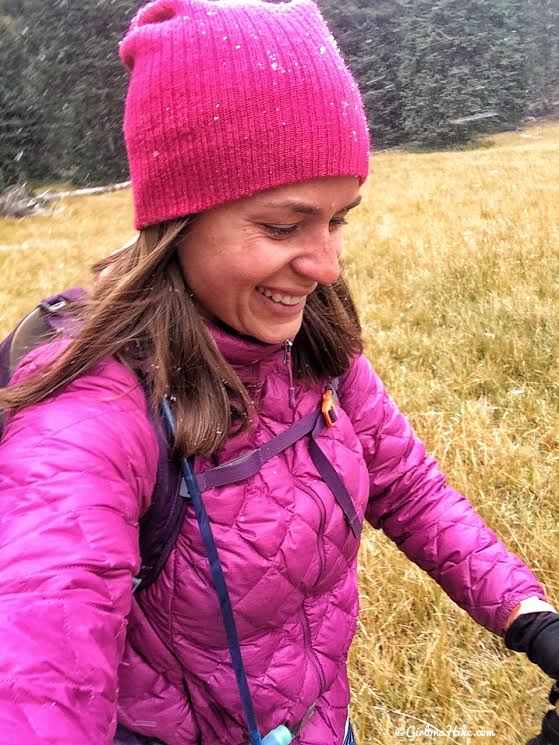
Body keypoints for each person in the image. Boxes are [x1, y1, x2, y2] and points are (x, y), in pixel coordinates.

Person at [0, 1, 558, 744]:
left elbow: (408, 488)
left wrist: (530, 618)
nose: (326, 265)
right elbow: (39, 682)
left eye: (338, 219)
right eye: (283, 225)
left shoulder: (307, 343)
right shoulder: (86, 420)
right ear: (175, 219)